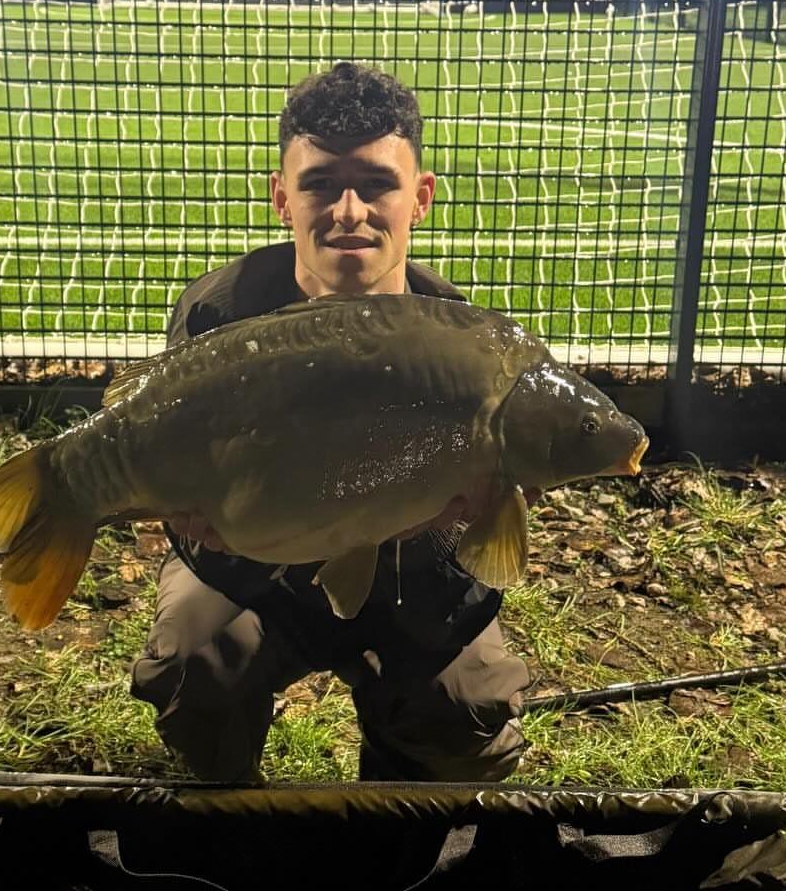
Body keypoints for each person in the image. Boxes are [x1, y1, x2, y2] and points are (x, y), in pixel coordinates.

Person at [129, 62, 533, 783]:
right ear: (282, 199)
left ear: (420, 198)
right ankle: (228, 804)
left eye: (376, 184)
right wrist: (208, 527)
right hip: (257, 570)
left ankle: (396, 805)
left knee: (466, 711)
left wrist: (447, 519)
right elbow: (186, 483)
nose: (349, 211)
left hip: (409, 578)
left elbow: (483, 545)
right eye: (320, 185)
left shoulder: (464, 346)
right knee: (194, 666)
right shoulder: (219, 316)